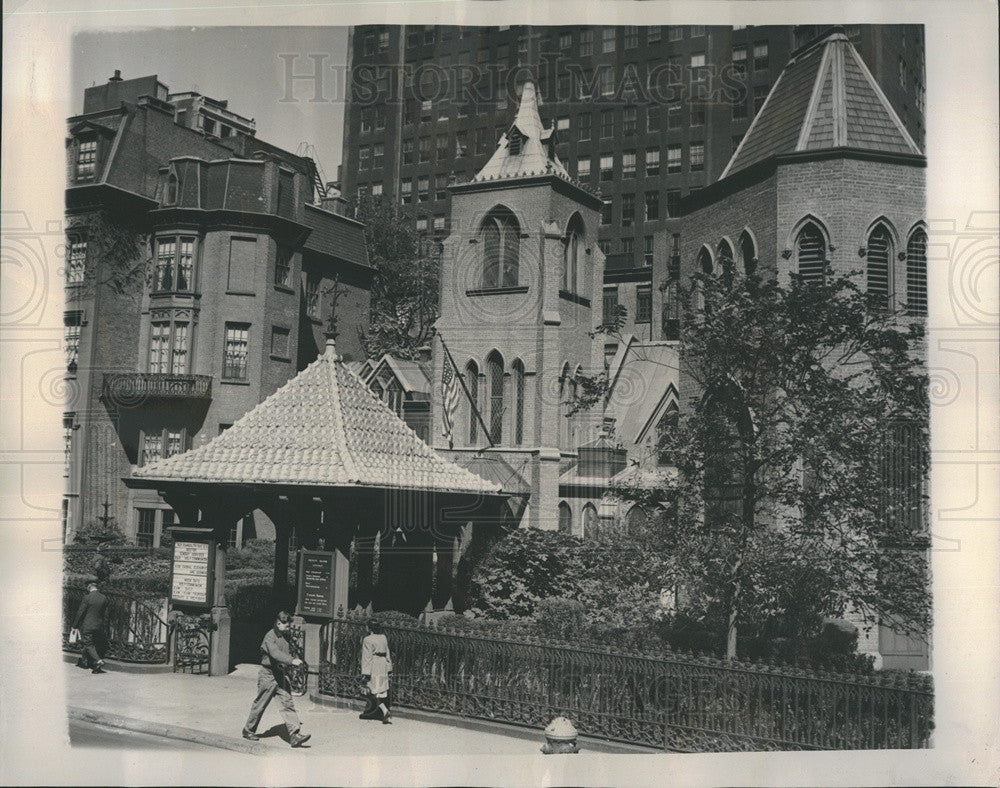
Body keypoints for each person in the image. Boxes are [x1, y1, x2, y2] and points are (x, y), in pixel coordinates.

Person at [242, 611, 310, 747]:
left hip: (280, 674)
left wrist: (291, 665)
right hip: (268, 675)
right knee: (261, 704)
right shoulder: (270, 636)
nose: (289, 628)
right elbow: (275, 653)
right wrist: (291, 661)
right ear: (279, 623)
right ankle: (248, 730)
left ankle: (294, 734)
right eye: (286, 625)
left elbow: (287, 652)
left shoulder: (285, 636)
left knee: (287, 702)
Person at [359, 620, 393, 724]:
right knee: (380, 689)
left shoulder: (367, 640)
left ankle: (384, 711)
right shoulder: (383, 637)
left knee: (372, 689)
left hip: (374, 665)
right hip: (382, 664)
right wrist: (389, 667)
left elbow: (367, 657)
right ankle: (376, 712)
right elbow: (387, 653)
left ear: (369, 628)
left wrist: (366, 673)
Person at [71, 581, 108, 674]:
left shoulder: (87, 597)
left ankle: (98, 661)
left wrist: (74, 626)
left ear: (89, 587)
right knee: (93, 644)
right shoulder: (104, 598)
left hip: (88, 625)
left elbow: (80, 612)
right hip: (99, 625)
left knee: (88, 644)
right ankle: (85, 662)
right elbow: (105, 613)